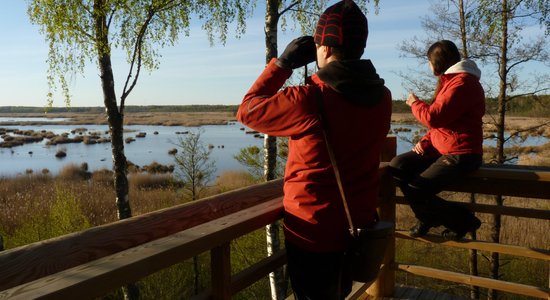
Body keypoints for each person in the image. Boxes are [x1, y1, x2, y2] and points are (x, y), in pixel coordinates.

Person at [237, 1, 391, 298]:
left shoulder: (308, 100)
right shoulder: (383, 97)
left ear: (326, 48)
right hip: (356, 227)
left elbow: (247, 111)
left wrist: (281, 64)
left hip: (312, 233)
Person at [389, 40, 484, 241]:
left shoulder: (463, 83)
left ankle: (463, 221)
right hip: (444, 149)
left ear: (437, 61)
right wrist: (426, 142)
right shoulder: (451, 82)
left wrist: (415, 103)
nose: (429, 66)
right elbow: (442, 125)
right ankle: (427, 217)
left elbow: (434, 117)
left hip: (461, 154)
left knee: (417, 188)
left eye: (429, 61)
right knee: (398, 166)